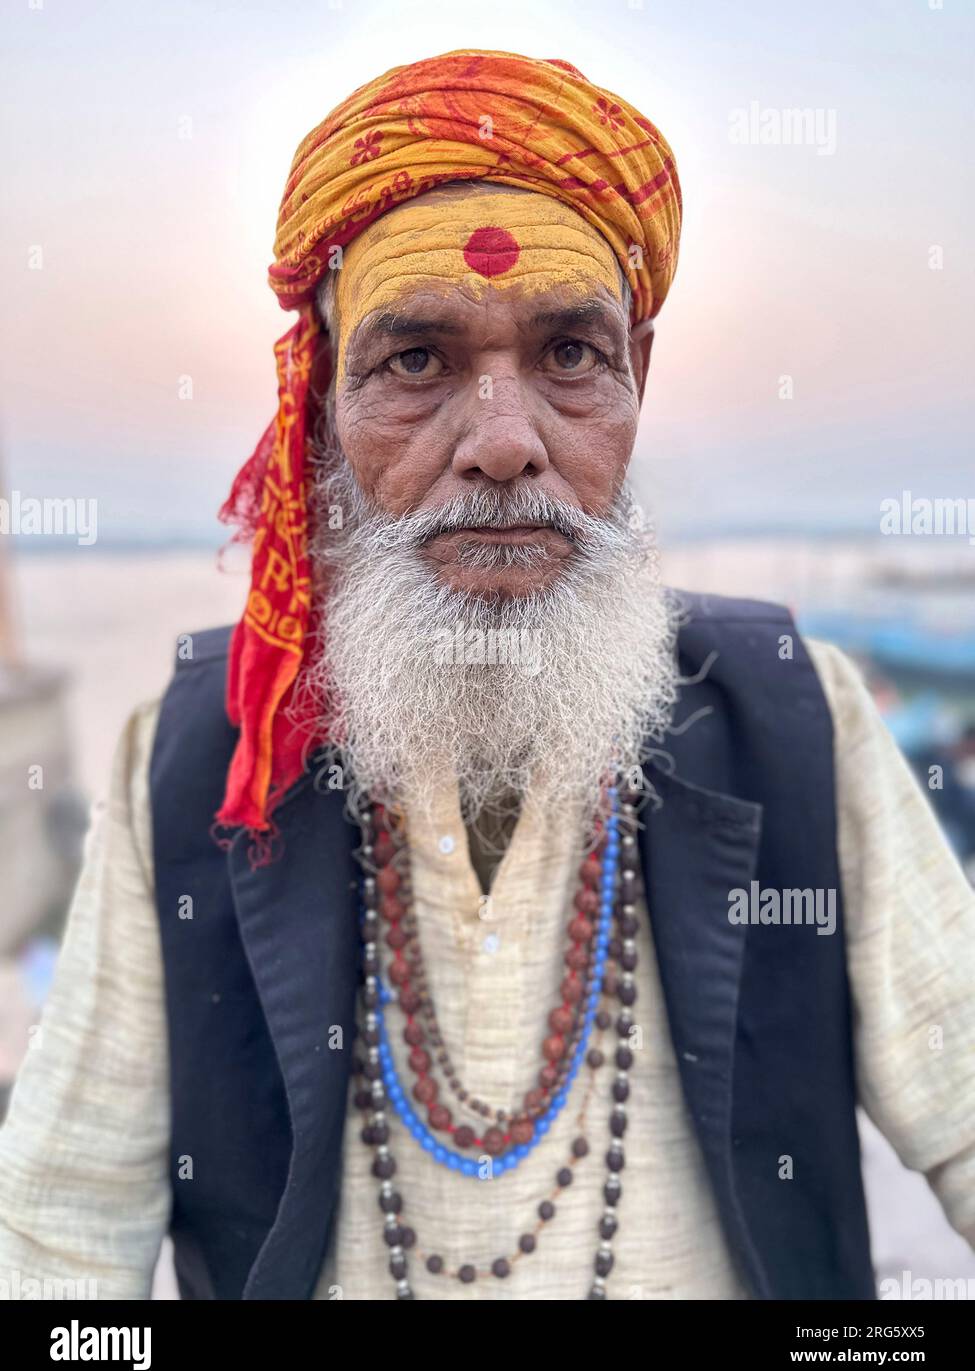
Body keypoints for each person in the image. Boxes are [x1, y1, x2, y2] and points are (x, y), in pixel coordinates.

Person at [1, 48, 973, 1302]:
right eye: (416, 362)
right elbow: (61, 1234)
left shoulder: (800, 717)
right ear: (323, 402)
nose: (508, 444)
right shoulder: (194, 756)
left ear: (641, 380)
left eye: (571, 353)